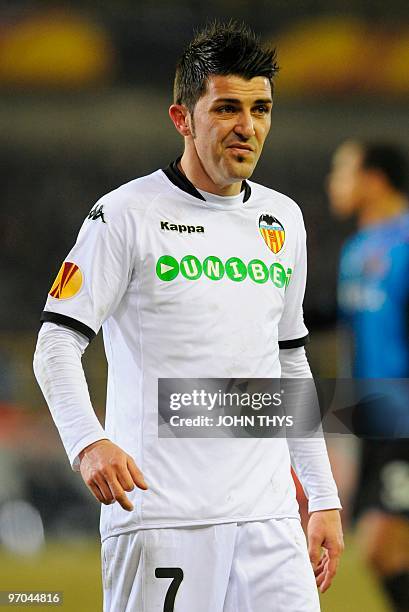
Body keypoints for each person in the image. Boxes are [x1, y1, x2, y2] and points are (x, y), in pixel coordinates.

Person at [34, 21, 343, 612]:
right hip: (162, 516)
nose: (247, 127)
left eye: (261, 109)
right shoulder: (125, 214)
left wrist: (321, 496)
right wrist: (88, 442)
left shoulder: (284, 219)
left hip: (268, 518)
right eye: (227, 108)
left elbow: (289, 362)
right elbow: (55, 344)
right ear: (182, 118)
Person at [328, 140, 409, 612]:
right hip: (376, 422)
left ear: (374, 179)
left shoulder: (404, 243)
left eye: (343, 171)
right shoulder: (357, 249)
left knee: (381, 543)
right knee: (376, 549)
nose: (334, 184)